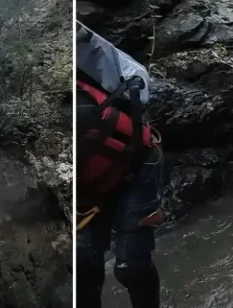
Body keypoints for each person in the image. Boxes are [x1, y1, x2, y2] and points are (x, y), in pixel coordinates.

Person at [75, 21, 165, 308]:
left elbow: (135, 75)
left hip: (134, 168)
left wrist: (134, 94)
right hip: (86, 192)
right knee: (83, 268)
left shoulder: (82, 44)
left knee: (132, 266)